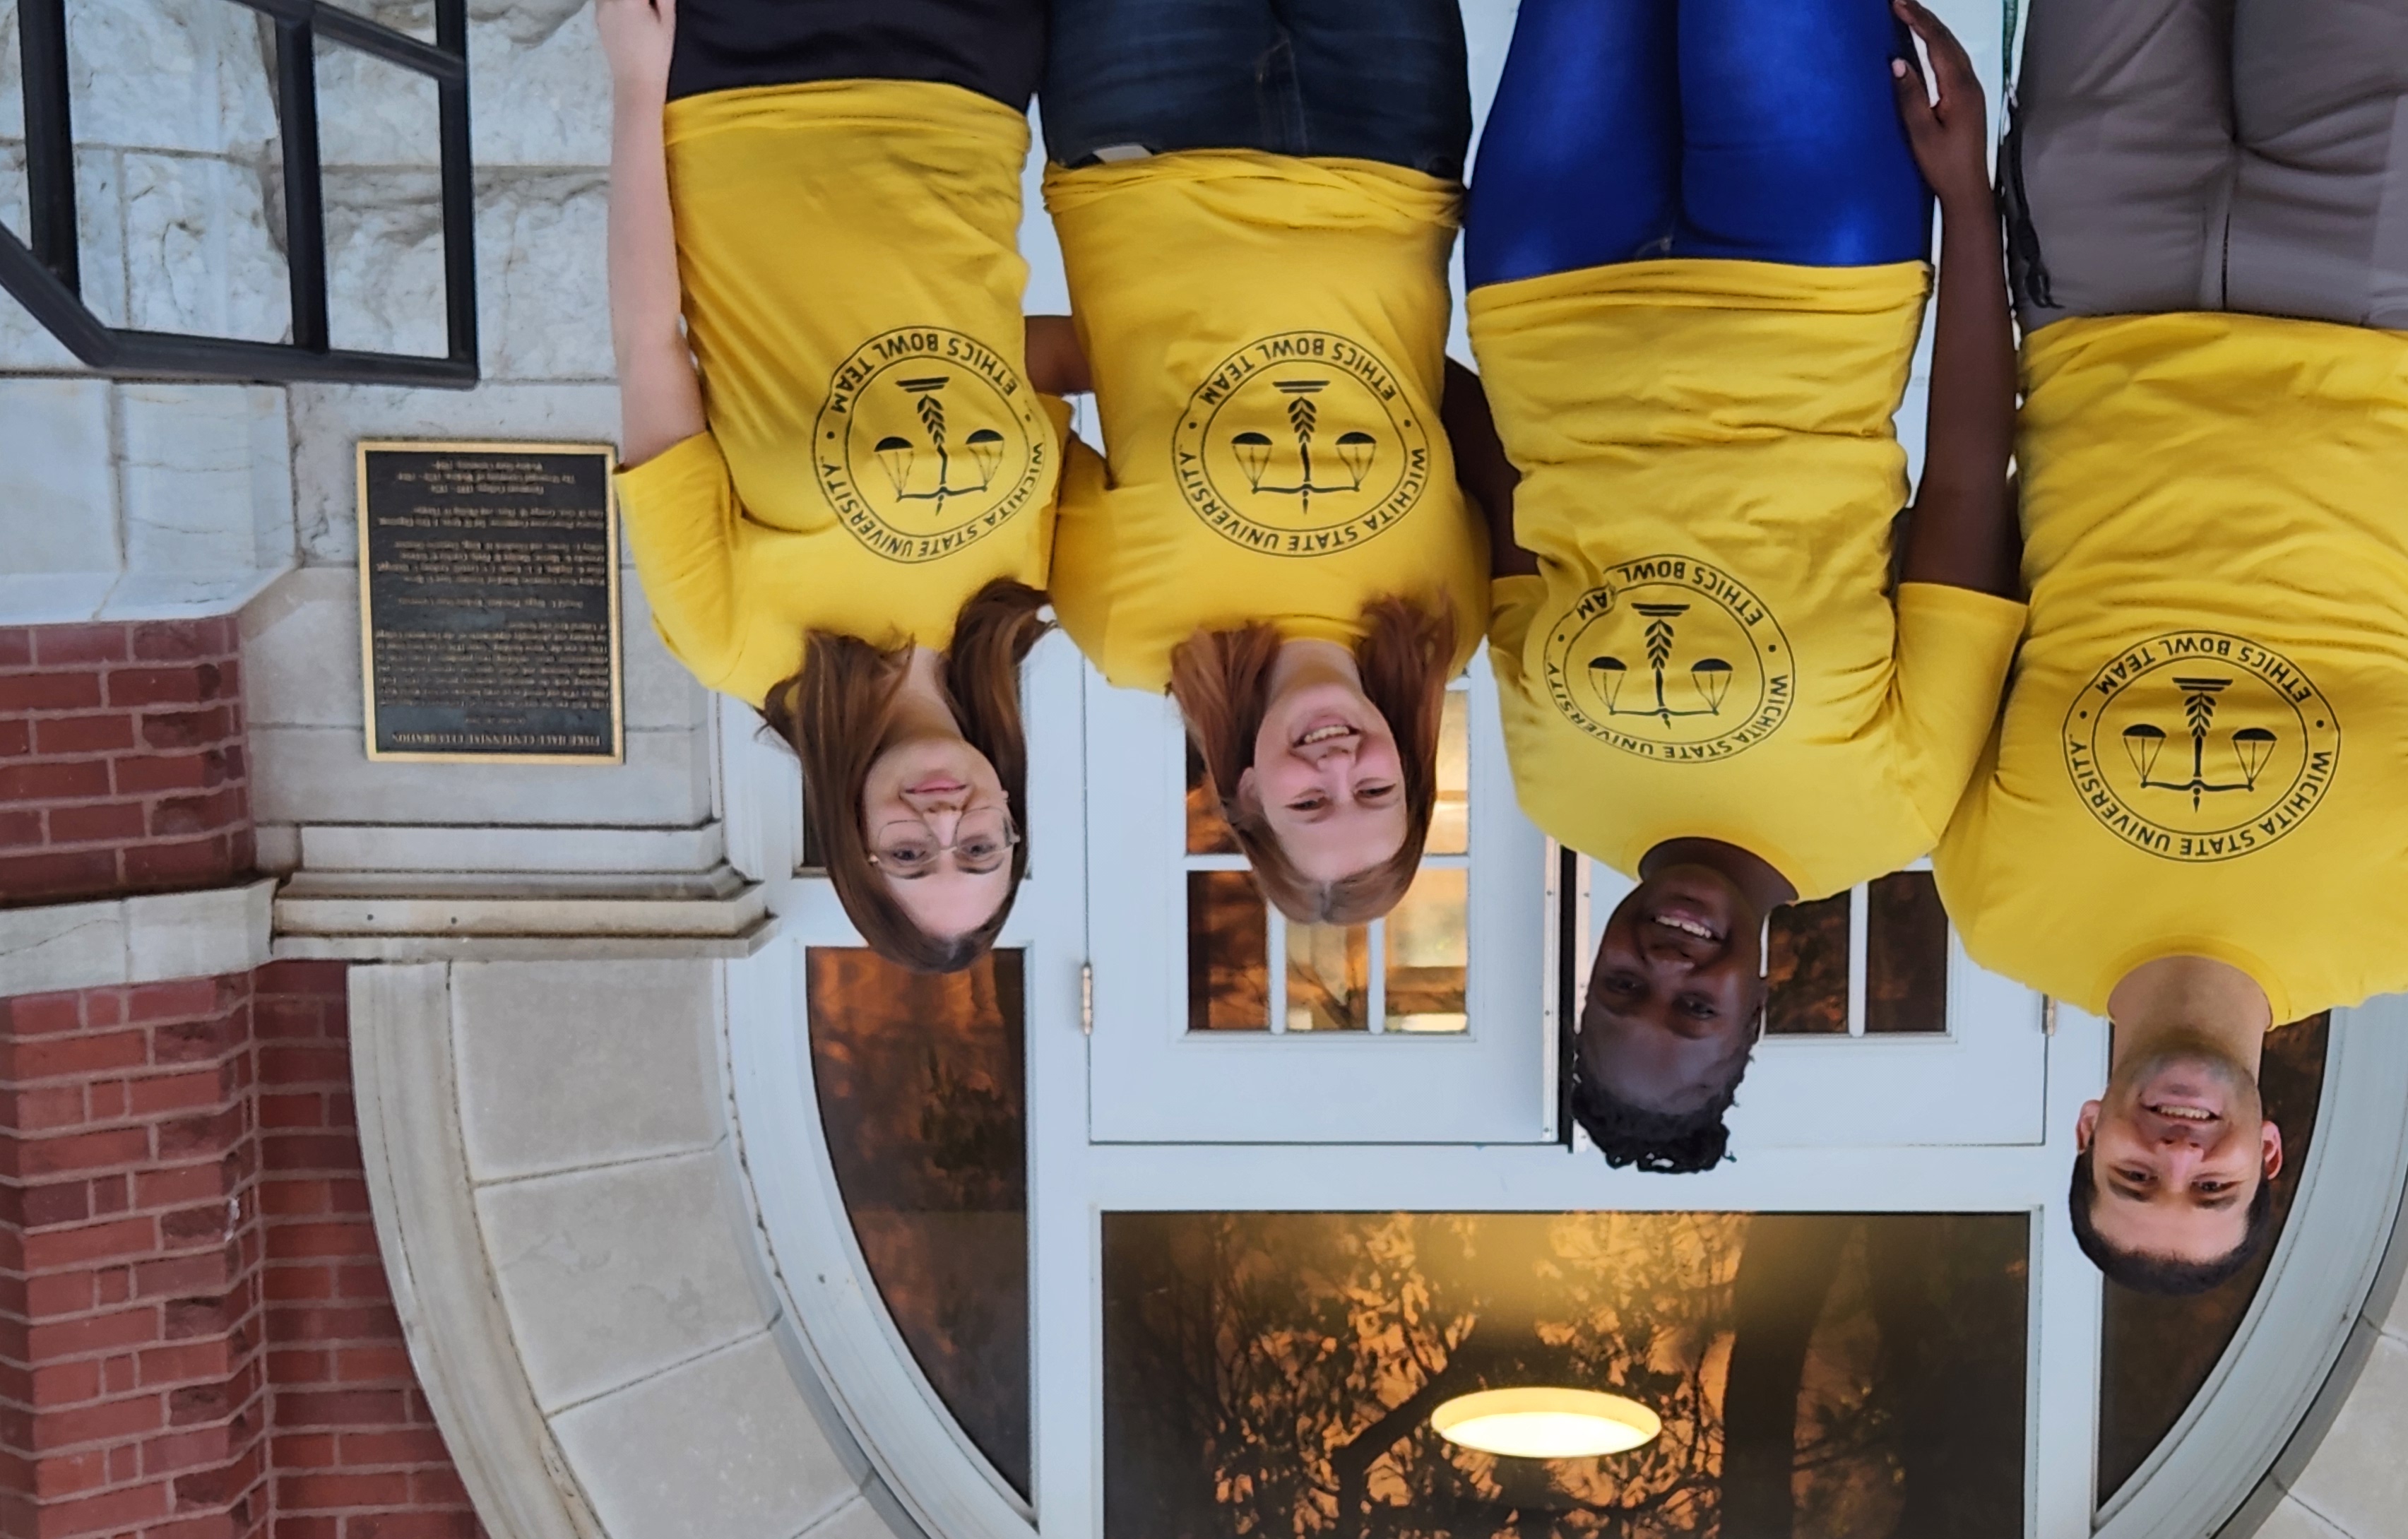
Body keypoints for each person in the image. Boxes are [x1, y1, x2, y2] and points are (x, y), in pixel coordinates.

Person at [1932, 0, 2408, 1291]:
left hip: (2102, 300)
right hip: (2368, 305)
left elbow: (1967, 592)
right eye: (2208, 1188)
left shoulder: (1995, 907)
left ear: (2091, 1133)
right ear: (2269, 1154)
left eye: (2132, 1175)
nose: (2177, 1152)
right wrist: (2396, 429)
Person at [1462, 0, 2025, 1175]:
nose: (1665, 966)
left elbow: (1497, 490)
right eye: (1696, 1011)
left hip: (1547, 280)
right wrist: (1968, 203)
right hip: (1815, 277)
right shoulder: (1895, 812)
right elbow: (1970, 481)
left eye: (1621, 987)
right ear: (1761, 1008)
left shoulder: (1555, 791)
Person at [598, 0, 1072, 972]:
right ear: (1012, 819)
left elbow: (651, 350)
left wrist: (637, 85)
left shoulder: (733, 643)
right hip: (967, 92)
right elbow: (1022, 356)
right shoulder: (1030, 598)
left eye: (910, 856)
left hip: (749, 94)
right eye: (980, 848)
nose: (945, 822)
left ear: (853, 849)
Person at [1033, 0, 1491, 925]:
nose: (1337, 767)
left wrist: (1137, 354)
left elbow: (1001, 402)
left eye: (1308, 802)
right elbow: (1478, 414)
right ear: (1409, 771)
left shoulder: (1131, 634)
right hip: (1389, 140)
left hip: (1147, 135)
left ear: (1245, 794)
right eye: (1375, 793)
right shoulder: (1454, 622)